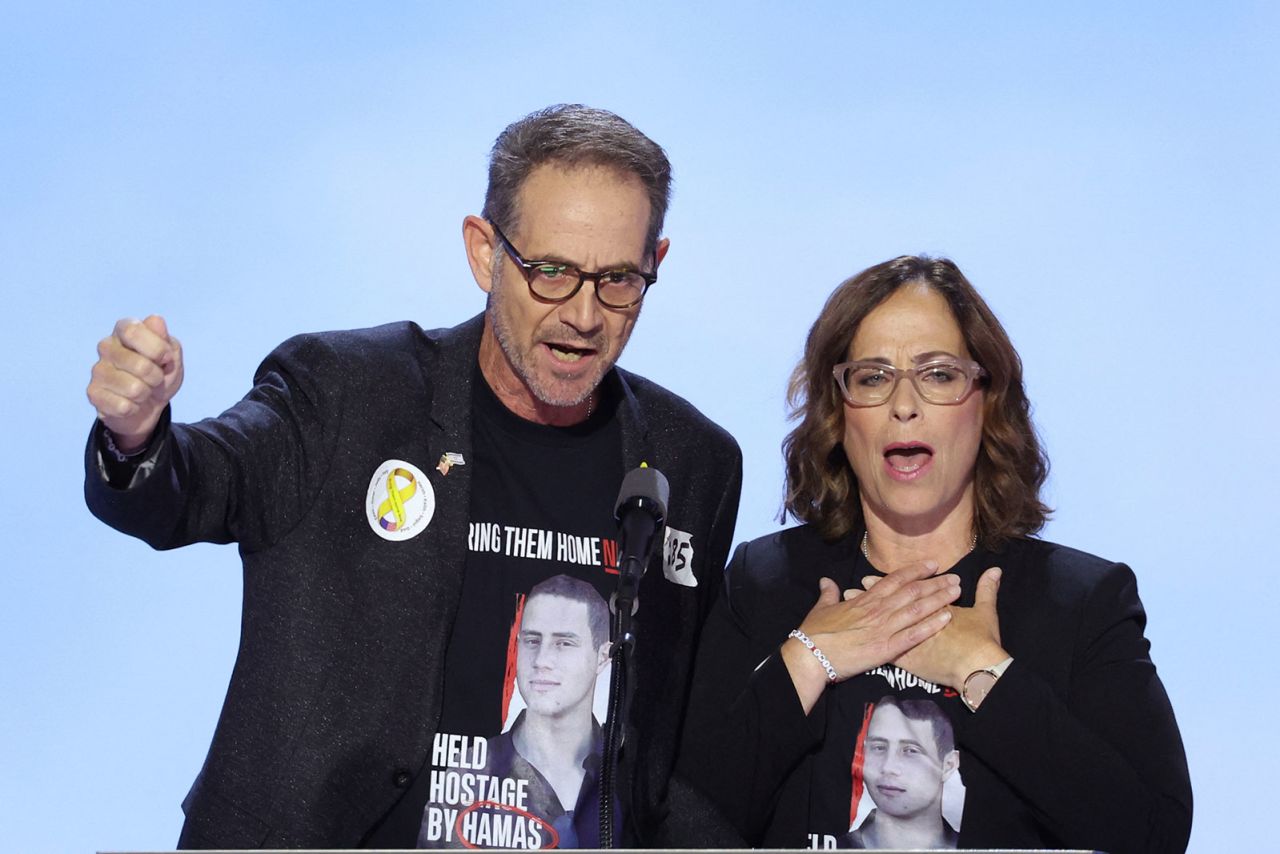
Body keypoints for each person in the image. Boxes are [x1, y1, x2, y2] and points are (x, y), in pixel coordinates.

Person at [83, 104, 743, 848]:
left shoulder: (693, 461)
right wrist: (138, 436)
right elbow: (197, 482)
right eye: (552, 272)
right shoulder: (348, 393)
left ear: (657, 261)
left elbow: (671, 747)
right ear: (482, 251)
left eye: (619, 279)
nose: (585, 315)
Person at [677, 256, 1192, 851]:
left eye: (938, 375)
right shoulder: (765, 583)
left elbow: (1156, 830)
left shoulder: (1078, 602)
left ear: (987, 402)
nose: (904, 404)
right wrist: (811, 658)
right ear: (838, 413)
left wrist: (985, 675)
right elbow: (685, 818)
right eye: (872, 377)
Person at [419, 575, 611, 849]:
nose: (542, 660)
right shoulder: (468, 778)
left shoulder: (626, 771)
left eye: (564, 643)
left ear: (602, 657)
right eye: (531, 640)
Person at [840, 696, 958, 849]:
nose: (888, 767)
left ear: (948, 765)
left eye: (910, 751)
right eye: (879, 747)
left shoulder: (978, 846)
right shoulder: (829, 850)